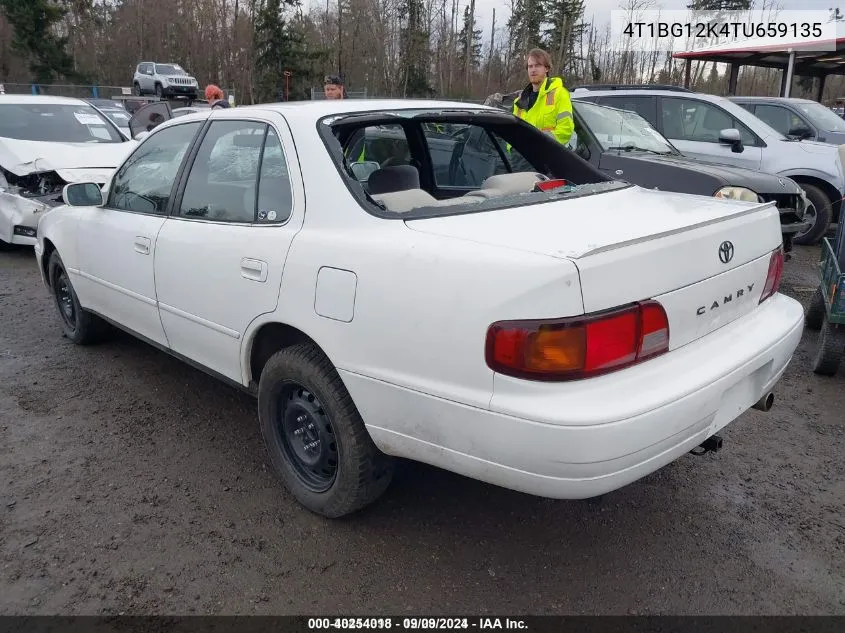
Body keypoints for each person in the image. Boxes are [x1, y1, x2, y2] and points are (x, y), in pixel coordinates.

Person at [511, 48, 573, 146]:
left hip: (548, 157)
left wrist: (538, 144)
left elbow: (565, 130)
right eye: (530, 66)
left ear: (546, 68)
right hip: (520, 159)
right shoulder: (519, 102)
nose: (533, 70)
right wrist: (513, 152)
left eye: (538, 65)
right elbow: (512, 134)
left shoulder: (559, 94)